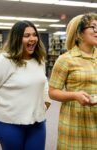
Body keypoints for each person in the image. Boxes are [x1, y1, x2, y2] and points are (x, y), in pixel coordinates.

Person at [0, 20, 50, 150]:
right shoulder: (3, 61)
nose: (32, 39)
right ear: (16, 38)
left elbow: (43, 82)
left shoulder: (39, 60)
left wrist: (46, 101)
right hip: (9, 123)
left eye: (34, 34)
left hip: (37, 122)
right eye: (26, 36)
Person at [49, 12, 97, 149]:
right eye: (93, 27)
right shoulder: (65, 59)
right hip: (75, 119)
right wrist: (74, 95)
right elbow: (52, 92)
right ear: (79, 33)